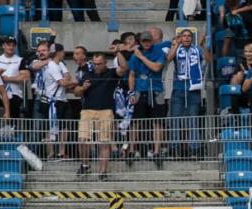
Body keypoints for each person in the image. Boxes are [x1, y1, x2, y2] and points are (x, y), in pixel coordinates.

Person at [73, 51, 127, 179]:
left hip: (106, 110)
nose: (97, 66)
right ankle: (85, 165)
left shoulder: (112, 73)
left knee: (104, 142)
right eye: (95, 64)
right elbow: (76, 92)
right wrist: (82, 88)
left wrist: (118, 52)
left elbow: (124, 68)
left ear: (105, 63)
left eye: (99, 64)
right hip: (87, 110)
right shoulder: (87, 74)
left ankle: (103, 171)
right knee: (82, 139)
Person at [167, 29, 209, 157]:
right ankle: (174, 148)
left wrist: (202, 46)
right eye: (184, 36)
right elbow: (168, 59)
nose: (186, 38)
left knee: (193, 118)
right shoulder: (177, 48)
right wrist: (175, 44)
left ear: (192, 38)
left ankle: (194, 148)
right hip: (179, 85)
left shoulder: (196, 49)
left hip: (193, 86)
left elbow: (208, 59)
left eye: (189, 36)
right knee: (175, 118)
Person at [127, 29, 168, 163]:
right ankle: (132, 150)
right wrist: (131, 92)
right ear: (141, 41)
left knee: (158, 122)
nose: (146, 43)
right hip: (140, 91)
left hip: (156, 91)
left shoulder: (158, 52)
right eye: (144, 41)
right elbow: (132, 75)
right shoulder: (134, 56)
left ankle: (157, 151)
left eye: (148, 40)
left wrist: (142, 57)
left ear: (152, 40)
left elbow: (157, 68)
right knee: (136, 122)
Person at [40, 43, 71, 160]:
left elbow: (67, 76)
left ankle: (61, 152)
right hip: (53, 100)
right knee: (51, 127)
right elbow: (63, 82)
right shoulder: (52, 65)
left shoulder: (61, 64)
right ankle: (51, 153)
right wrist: (74, 82)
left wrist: (68, 80)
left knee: (64, 127)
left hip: (62, 99)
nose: (63, 54)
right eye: (62, 52)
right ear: (59, 52)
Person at [0, 36, 29, 122]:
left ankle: (14, 130)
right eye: (8, 45)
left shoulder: (20, 60)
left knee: (14, 113)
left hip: (15, 93)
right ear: (3, 46)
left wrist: (8, 79)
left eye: (13, 45)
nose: (11, 47)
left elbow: (25, 77)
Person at [229, 42, 252, 113]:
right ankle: (237, 120)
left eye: (250, 52)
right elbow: (232, 83)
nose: (247, 54)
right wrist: (236, 80)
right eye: (246, 51)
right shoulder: (241, 65)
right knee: (234, 97)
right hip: (243, 91)